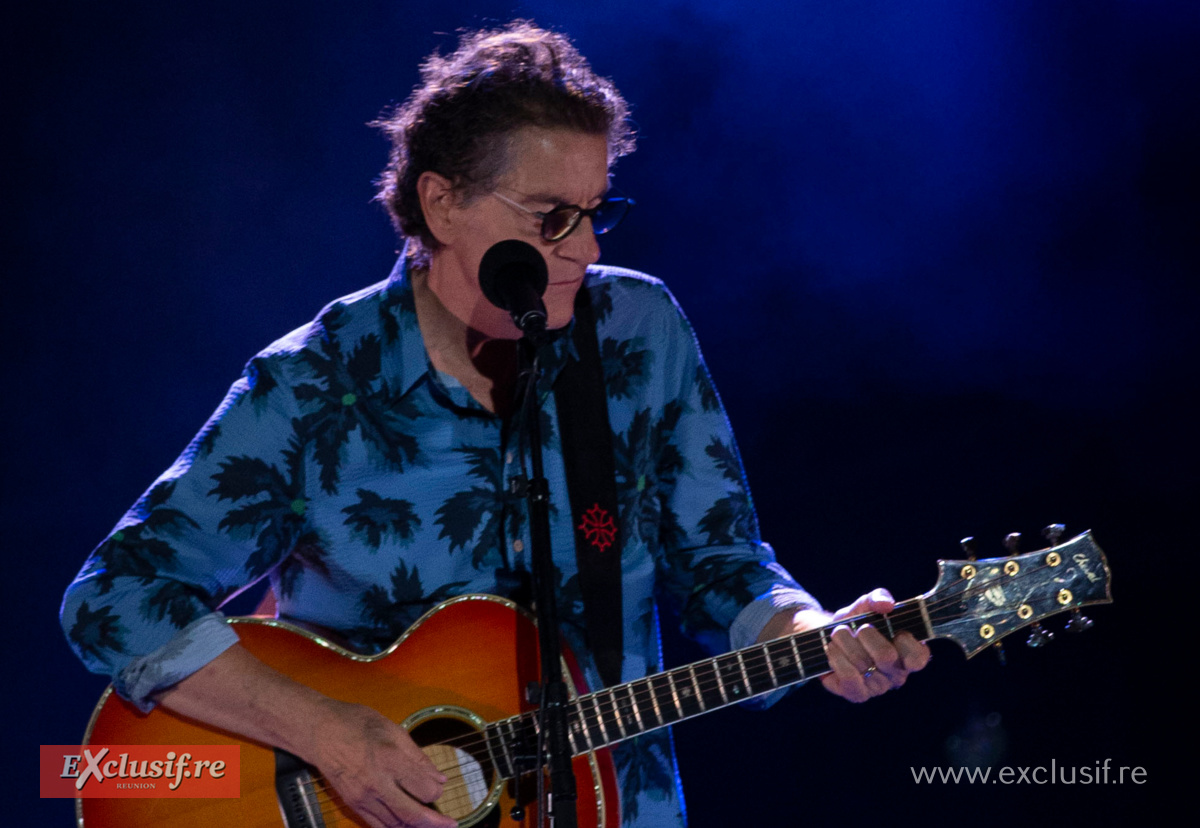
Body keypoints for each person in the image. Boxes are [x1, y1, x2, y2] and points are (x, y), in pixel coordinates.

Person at [61, 21, 929, 828]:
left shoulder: (636, 332)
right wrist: (325, 731)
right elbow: (115, 598)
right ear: (441, 205)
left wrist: (814, 636)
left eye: (596, 213)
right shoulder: (315, 381)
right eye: (550, 218)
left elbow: (718, 561)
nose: (585, 250)